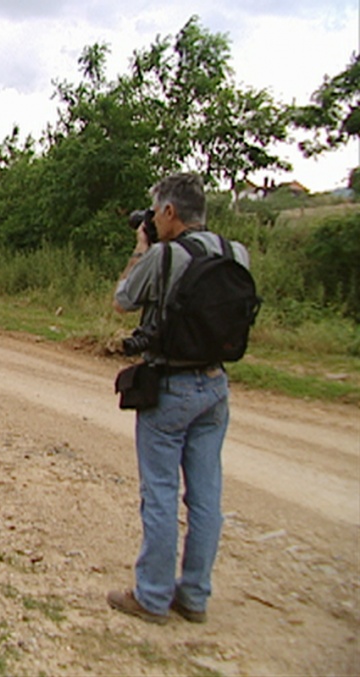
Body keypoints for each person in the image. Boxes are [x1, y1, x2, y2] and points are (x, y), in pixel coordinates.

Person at [108, 172, 250, 625]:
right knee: (207, 494)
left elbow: (123, 300)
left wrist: (141, 248)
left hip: (170, 386)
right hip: (215, 385)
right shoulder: (236, 253)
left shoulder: (166, 256)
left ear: (169, 212)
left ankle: (151, 596)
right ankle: (194, 596)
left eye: (156, 212)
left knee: (161, 492)